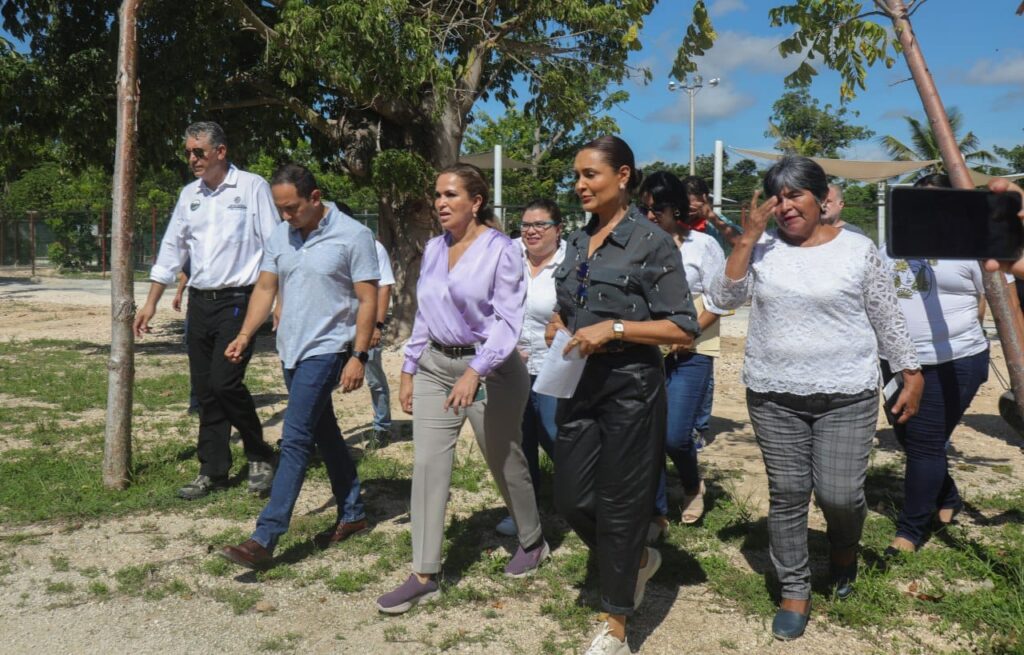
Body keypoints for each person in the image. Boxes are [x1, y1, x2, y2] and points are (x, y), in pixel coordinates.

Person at [707, 155, 923, 641]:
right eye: (777, 197)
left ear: (822, 198)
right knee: (787, 496)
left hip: (847, 392)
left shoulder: (857, 249)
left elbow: (885, 315)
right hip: (772, 393)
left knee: (839, 495)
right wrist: (745, 240)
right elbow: (723, 299)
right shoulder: (760, 250)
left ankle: (843, 549)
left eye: (795, 195)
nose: (785, 206)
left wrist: (911, 372)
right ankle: (795, 589)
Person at [547, 136, 699, 655]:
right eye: (577, 176)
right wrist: (559, 323)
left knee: (620, 503)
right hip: (578, 381)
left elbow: (682, 329)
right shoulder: (574, 240)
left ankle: (616, 623)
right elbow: (571, 304)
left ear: (624, 176)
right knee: (570, 497)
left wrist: (613, 328)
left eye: (590, 174)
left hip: (631, 385)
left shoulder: (651, 241)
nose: (580, 185)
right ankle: (635, 559)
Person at [376, 163, 546, 615]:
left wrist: (476, 371)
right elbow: (425, 315)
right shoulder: (434, 248)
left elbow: (510, 321)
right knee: (428, 464)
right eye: (438, 195)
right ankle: (424, 574)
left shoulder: (501, 251)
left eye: (451, 195)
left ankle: (532, 539)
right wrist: (409, 368)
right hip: (435, 366)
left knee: (504, 459)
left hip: (491, 370)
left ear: (476, 202)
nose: (441, 202)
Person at [218, 164, 379, 568]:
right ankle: (354, 512)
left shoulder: (353, 235)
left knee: (295, 438)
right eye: (280, 209)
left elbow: (368, 299)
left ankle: (265, 536)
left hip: (328, 350)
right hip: (291, 349)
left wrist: (359, 355)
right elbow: (266, 287)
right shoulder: (280, 234)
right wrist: (244, 334)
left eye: (292, 208)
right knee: (325, 433)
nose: (286, 216)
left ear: (315, 197)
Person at [134, 121, 278, 500]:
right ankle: (212, 470)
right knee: (204, 391)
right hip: (200, 302)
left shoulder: (251, 187)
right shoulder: (189, 196)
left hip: (238, 301)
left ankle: (261, 455)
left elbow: (275, 246)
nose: (192, 159)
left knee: (225, 382)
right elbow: (172, 248)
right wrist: (151, 301)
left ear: (221, 151)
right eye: (188, 152)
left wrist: (281, 301)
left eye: (199, 151)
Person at [881, 172, 990, 555]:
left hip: (955, 361)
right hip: (896, 361)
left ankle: (909, 532)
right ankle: (948, 496)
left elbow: (993, 299)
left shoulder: (974, 246)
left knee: (925, 442)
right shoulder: (892, 243)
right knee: (906, 433)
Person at [638, 171, 727, 540]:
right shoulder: (637, 244)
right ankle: (656, 511)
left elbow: (719, 298)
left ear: (676, 208)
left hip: (694, 347)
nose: (650, 216)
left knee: (675, 435)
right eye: (644, 209)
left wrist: (687, 333)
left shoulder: (703, 246)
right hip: (647, 347)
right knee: (649, 433)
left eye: (658, 208)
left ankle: (692, 485)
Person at [495, 199, 565, 537]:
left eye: (541, 225)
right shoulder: (508, 254)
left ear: (559, 229)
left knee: (555, 435)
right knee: (518, 440)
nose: (531, 231)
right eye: (525, 225)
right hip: (512, 365)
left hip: (556, 366)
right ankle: (525, 508)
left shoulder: (571, 262)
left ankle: (582, 499)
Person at [682, 175, 744, 249]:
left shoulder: (716, 222)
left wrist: (712, 217)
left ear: (706, 200)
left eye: (694, 209)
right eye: (685, 206)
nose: (689, 213)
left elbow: (742, 246)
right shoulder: (672, 221)